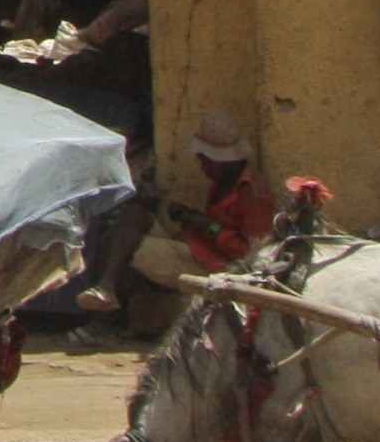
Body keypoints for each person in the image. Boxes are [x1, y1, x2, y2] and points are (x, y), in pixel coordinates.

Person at [76, 114, 284, 311]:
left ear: (222, 160)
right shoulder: (224, 182)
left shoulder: (255, 196)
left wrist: (209, 227)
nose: (202, 168)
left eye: (205, 161)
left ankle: (103, 313)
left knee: (126, 247)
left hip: (218, 269)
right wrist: (190, 218)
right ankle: (105, 288)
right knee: (132, 217)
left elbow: (251, 255)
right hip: (197, 248)